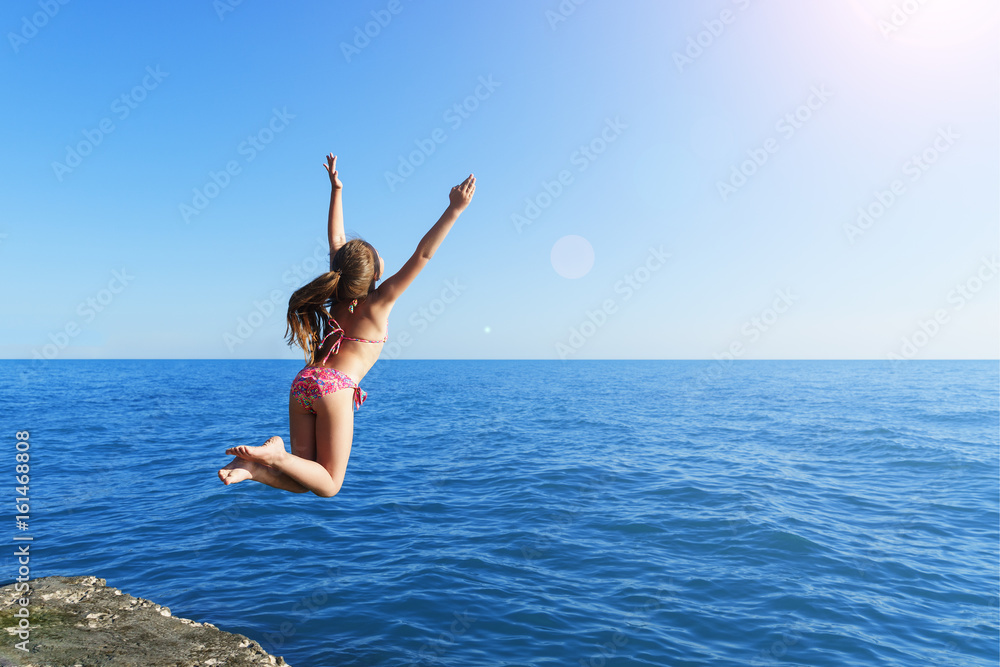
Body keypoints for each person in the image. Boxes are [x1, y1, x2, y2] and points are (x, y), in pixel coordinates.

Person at [218, 153, 476, 496]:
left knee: (303, 480)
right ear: (375, 276)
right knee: (330, 486)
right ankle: (275, 456)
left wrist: (336, 190)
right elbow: (422, 256)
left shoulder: (337, 295)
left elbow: (336, 242)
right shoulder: (378, 303)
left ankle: (253, 468)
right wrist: (454, 210)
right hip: (334, 388)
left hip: (304, 382)